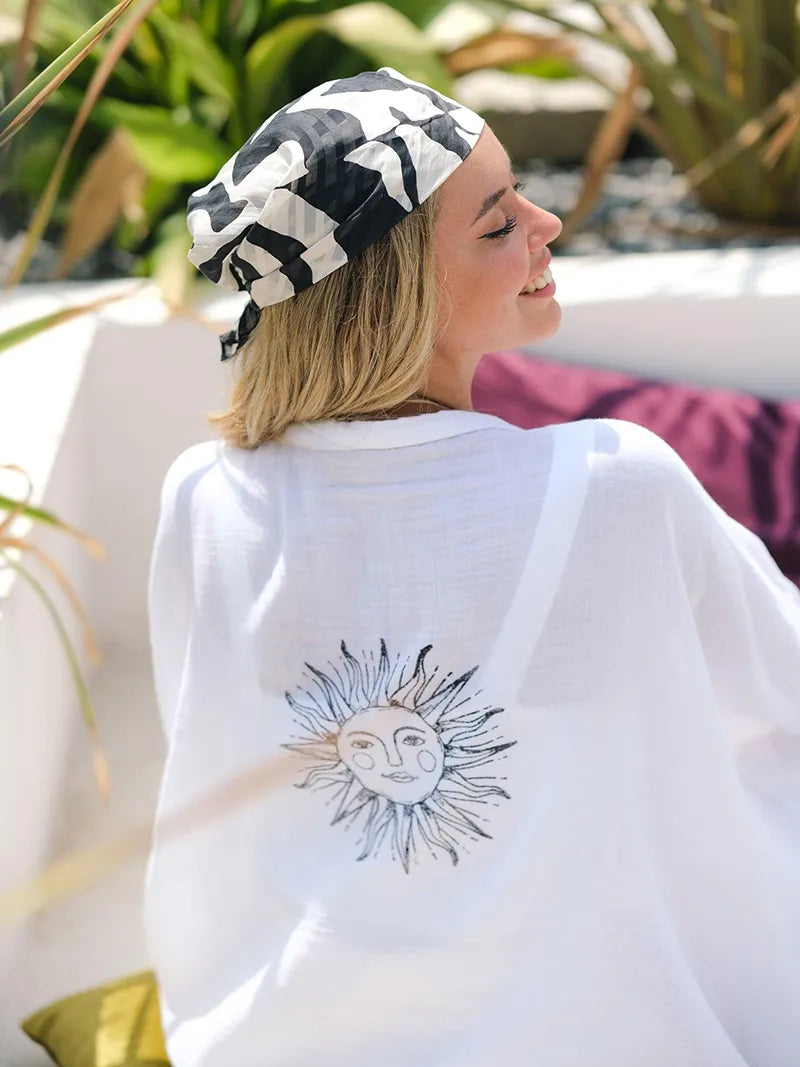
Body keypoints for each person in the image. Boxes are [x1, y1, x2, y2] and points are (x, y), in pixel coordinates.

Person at [144, 68, 800, 1067]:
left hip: (291, 1031)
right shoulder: (616, 484)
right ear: (396, 288)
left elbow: (221, 770)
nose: (545, 224)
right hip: (596, 1032)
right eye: (497, 224)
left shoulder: (204, 498)